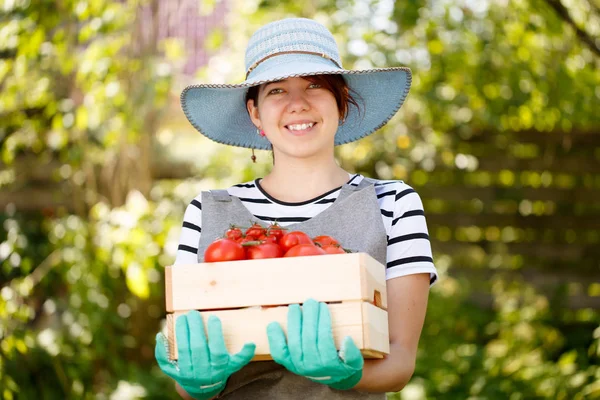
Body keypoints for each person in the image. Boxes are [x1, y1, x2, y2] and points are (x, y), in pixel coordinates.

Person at [155, 17, 438, 400]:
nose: (298, 104)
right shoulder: (206, 213)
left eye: (315, 85)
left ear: (341, 103)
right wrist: (198, 382)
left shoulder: (394, 203)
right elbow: (187, 377)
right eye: (276, 91)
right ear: (255, 114)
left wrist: (346, 376)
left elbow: (401, 361)